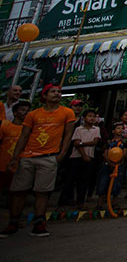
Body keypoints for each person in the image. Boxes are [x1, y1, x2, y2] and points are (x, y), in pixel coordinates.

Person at [1, 85, 75, 238]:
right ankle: (13, 222)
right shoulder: (33, 114)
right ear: (44, 95)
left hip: (49, 156)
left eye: (59, 92)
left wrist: (61, 154)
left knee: (43, 192)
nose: (57, 94)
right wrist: (15, 157)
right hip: (27, 156)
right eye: (53, 92)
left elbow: (68, 135)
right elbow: (24, 136)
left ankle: (39, 223)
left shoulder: (67, 112)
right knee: (19, 191)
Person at [69, 109, 100, 210]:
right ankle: (67, 201)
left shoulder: (96, 129)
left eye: (94, 116)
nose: (92, 118)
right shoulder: (78, 129)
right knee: (71, 179)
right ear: (84, 118)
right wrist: (84, 155)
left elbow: (94, 142)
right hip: (76, 157)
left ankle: (80, 202)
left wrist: (81, 143)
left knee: (84, 180)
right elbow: (75, 143)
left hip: (89, 156)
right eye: (89, 116)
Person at [94, 122, 127, 211]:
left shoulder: (125, 142)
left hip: (119, 165)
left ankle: (114, 202)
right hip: (107, 164)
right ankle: (100, 203)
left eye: (122, 128)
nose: (120, 130)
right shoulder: (108, 141)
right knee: (103, 182)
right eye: (118, 128)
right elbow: (105, 152)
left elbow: (124, 153)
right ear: (113, 131)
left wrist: (119, 161)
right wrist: (109, 162)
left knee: (116, 184)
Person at [0, 101, 29, 192]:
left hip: (19, 165)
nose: (26, 112)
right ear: (15, 112)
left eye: (28, 111)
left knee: (13, 190)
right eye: (23, 110)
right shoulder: (5, 125)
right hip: (2, 163)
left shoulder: (29, 129)